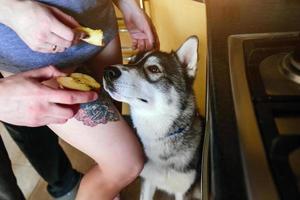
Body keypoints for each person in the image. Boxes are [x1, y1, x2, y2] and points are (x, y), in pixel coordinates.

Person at [0, 0, 158, 200]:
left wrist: (126, 3)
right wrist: (9, 9)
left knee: (111, 157)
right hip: (33, 62)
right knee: (125, 164)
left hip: (101, 30)